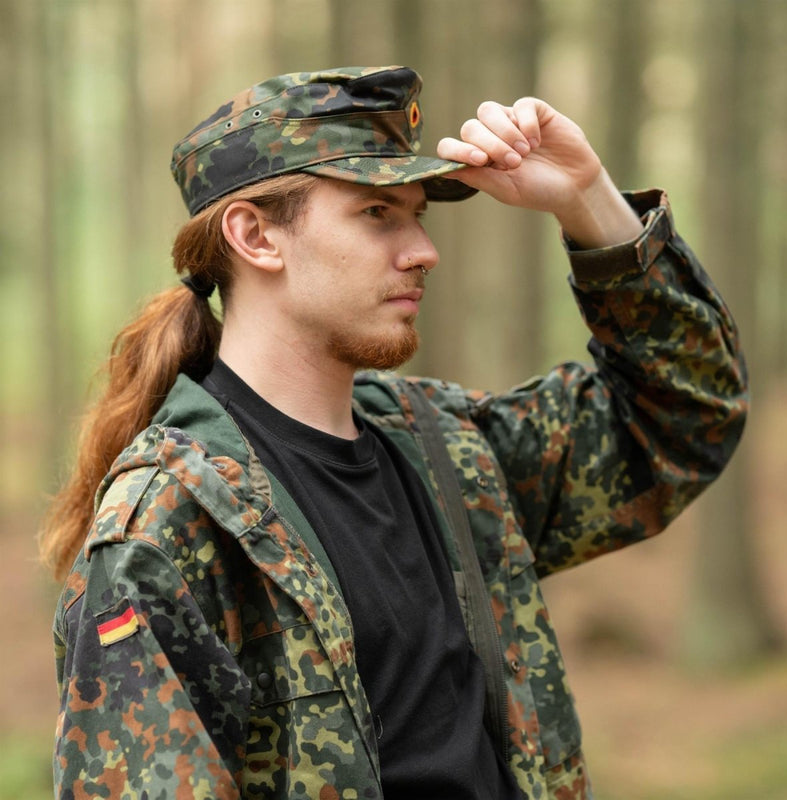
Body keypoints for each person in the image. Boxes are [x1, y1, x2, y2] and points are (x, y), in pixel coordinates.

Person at [42, 65, 748, 800]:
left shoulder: (449, 451)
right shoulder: (172, 528)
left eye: (418, 215)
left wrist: (587, 198)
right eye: (377, 212)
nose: (423, 250)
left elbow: (683, 418)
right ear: (255, 236)